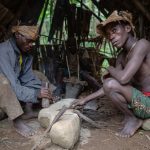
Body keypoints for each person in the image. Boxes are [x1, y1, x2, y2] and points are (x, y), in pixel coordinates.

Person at [72, 10, 150, 138]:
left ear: (127, 28)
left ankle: (133, 119)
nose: (111, 37)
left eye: (114, 31)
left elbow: (123, 79)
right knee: (110, 85)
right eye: (108, 34)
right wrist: (84, 100)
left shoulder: (142, 45)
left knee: (110, 82)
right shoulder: (121, 56)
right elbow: (110, 87)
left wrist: (110, 69)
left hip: (148, 104)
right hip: (139, 102)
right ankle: (130, 116)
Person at [0, 25, 52, 137]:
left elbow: (27, 78)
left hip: (12, 86)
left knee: (38, 75)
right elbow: (12, 83)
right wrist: (36, 93)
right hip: (3, 92)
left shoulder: (25, 53)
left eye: (33, 42)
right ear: (18, 35)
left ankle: (28, 111)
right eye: (28, 41)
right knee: (3, 82)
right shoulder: (3, 51)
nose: (31, 45)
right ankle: (17, 121)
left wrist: (43, 90)